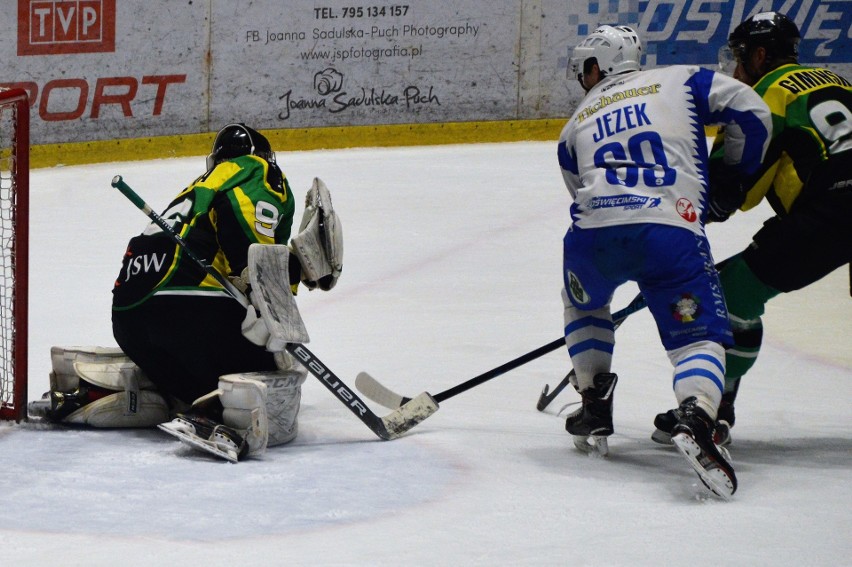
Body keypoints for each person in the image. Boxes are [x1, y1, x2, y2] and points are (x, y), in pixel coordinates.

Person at [34, 123, 343, 462]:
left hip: (128, 320)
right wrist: (257, 286)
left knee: (185, 382)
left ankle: (103, 392)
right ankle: (230, 417)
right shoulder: (257, 170)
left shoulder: (200, 187)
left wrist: (288, 273)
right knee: (279, 366)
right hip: (190, 315)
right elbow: (242, 226)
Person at [557, 25, 772, 498]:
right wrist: (731, 179)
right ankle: (696, 414)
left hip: (591, 240)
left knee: (584, 305)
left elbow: (576, 182)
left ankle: (594, 400)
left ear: (598, 67)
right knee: (698, 337)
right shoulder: (682, 79)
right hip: (669, 235)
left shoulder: (577, 120)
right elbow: (753, 113)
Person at [652, 12, 852, 447]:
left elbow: (728, 191)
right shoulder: (838, 82)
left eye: (741, 59)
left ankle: (712, 411)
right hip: (838, 200)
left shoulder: (764, 93)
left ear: (761, 55)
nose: (736, 71)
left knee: (727, 295)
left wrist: (667, 223)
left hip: (836, 208)